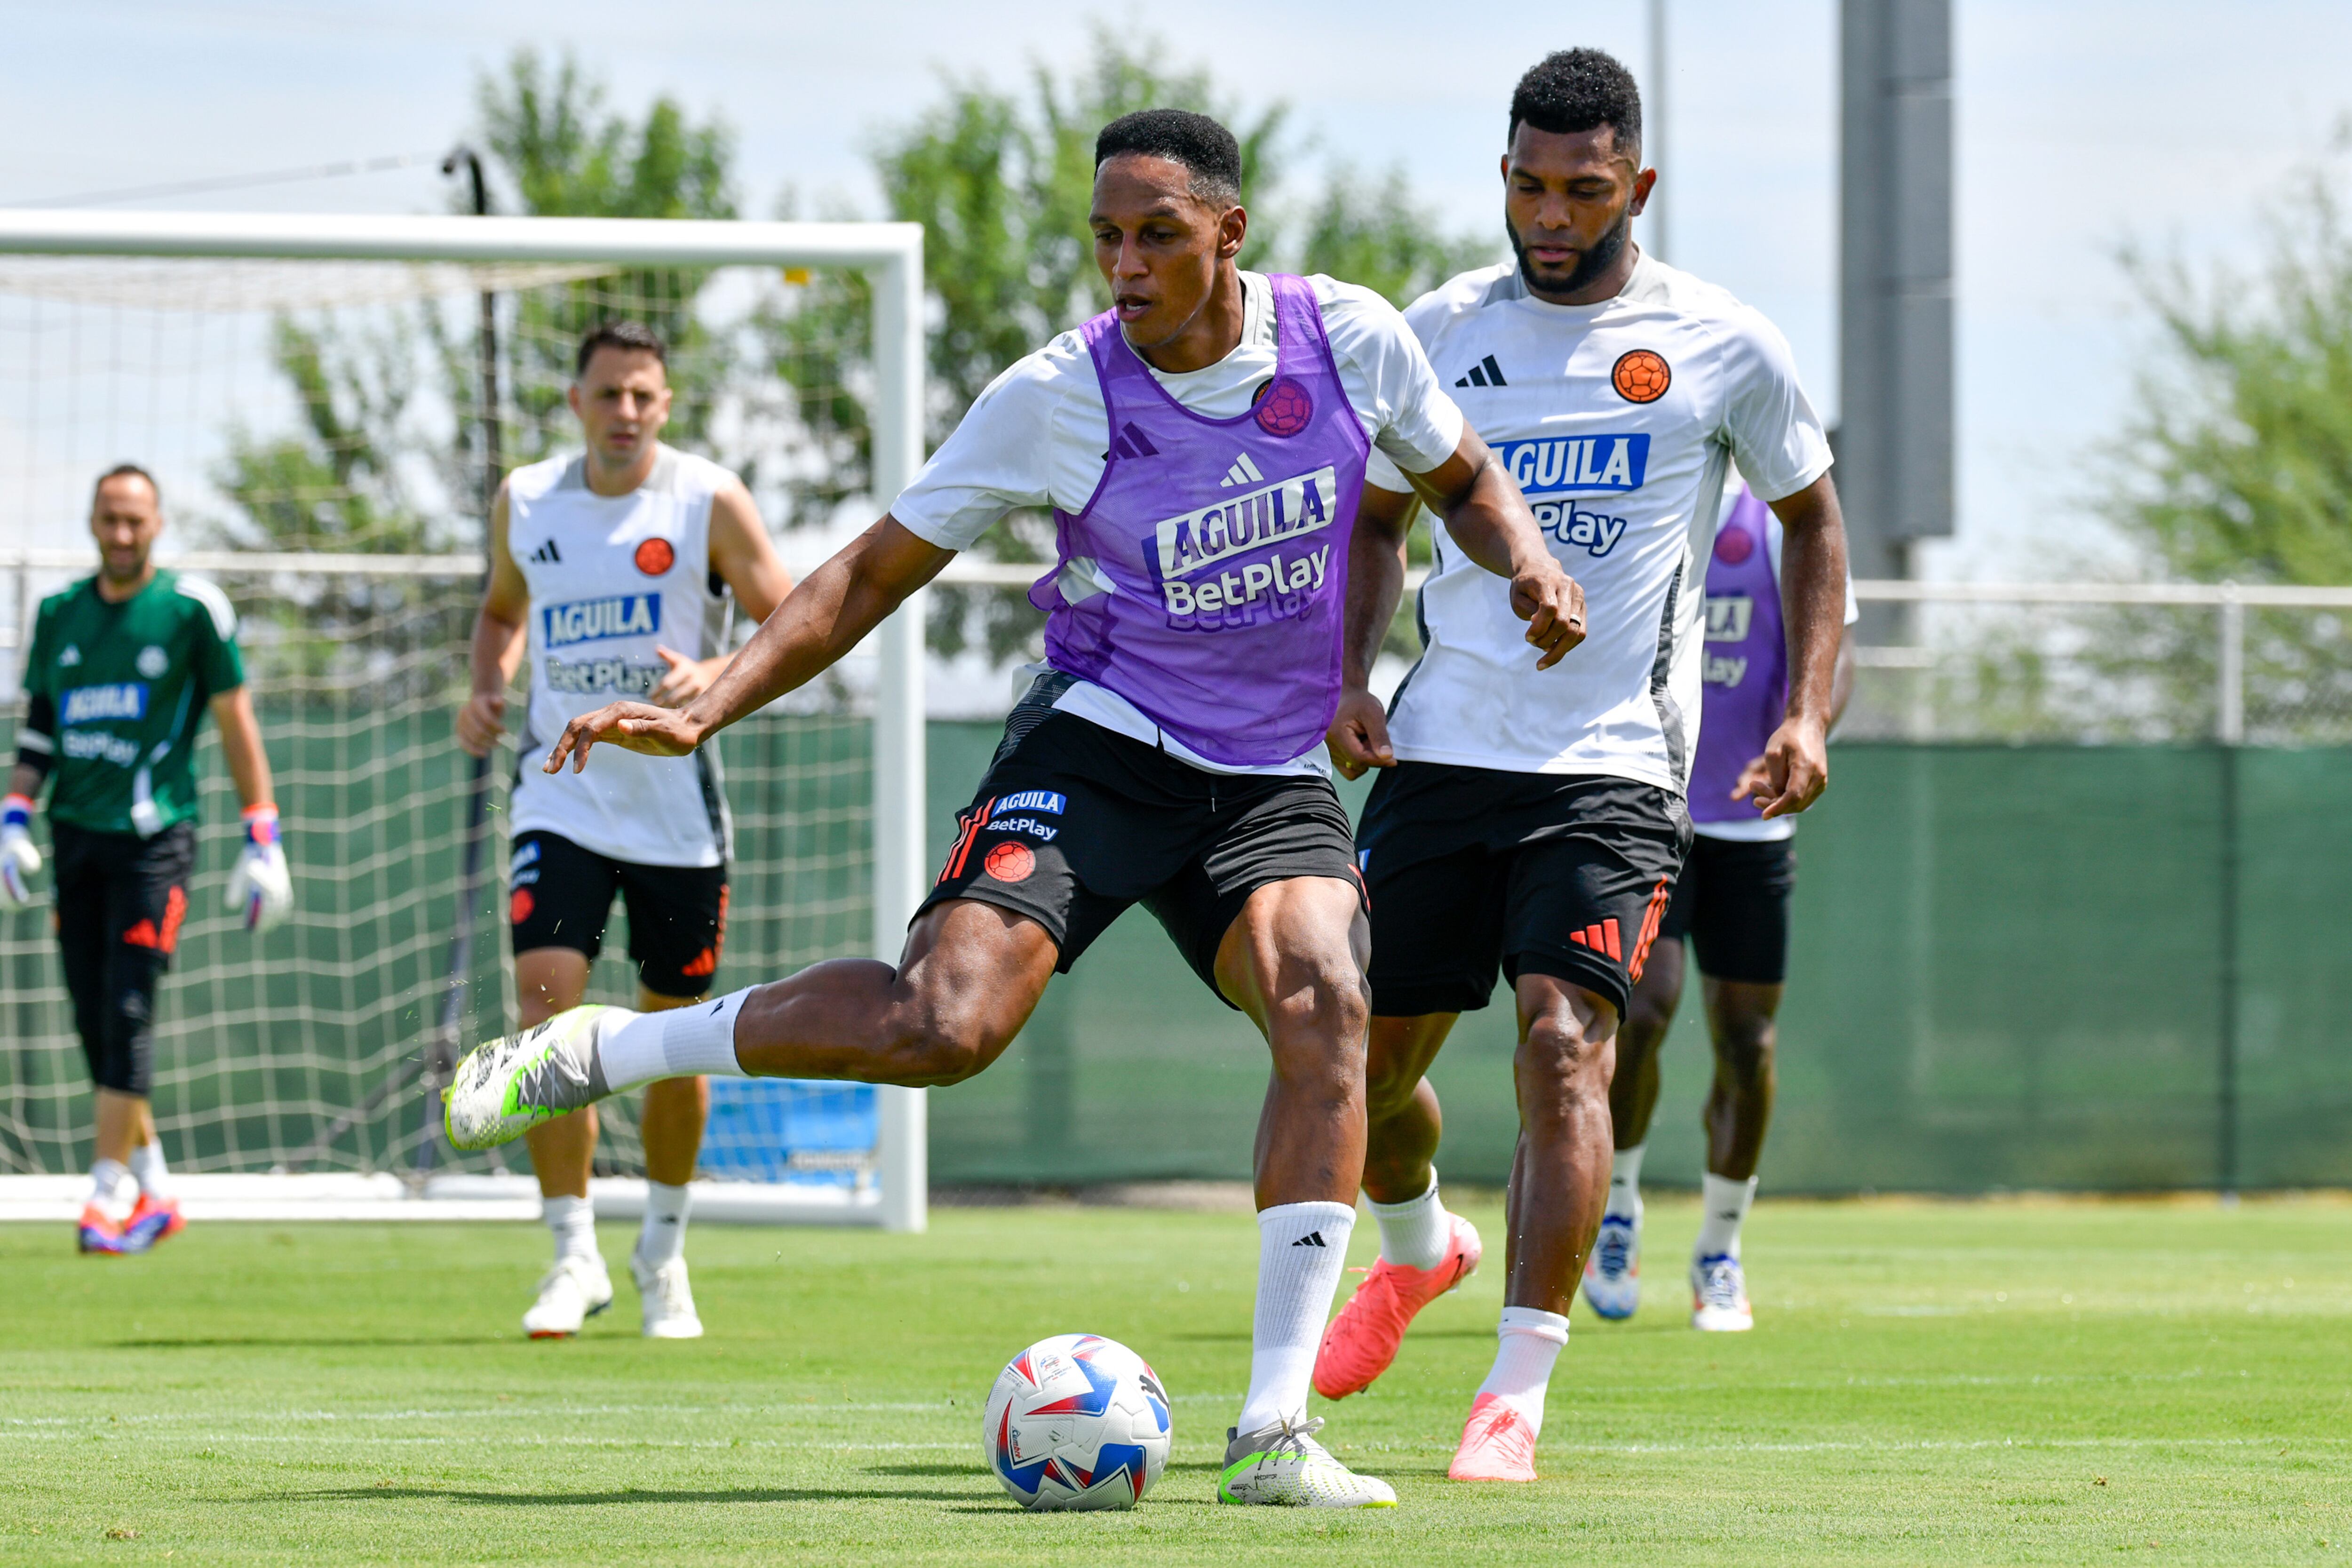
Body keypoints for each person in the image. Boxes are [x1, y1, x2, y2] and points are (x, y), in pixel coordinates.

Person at [445, 108, 1581, 1508]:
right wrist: (714, 696)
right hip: (1102, 740)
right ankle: (610, 1045)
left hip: (1270, 767)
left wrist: (1523, 560)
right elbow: (868, 571)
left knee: (1326, 1002)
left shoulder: (1349, 337)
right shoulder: (1058, 391)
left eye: (1156, 234)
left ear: (1232, 232)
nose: (1124, 263)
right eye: (1106, 236)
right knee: (945, 1026)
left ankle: (1274, 1430)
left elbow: (1459, 482)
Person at [1308, 49, 1850, 1483]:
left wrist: (1808, 709)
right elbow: (1373, 523)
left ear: (1638, 186)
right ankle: (1421, 1242)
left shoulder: (1724, 340)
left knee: (1568, 1042)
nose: (1551, 216)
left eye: (1584, 191)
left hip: (1614, 766)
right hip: (1440, 750)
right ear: (1503, 178)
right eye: (1530, 188)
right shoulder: (1433, 331)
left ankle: (1514, 1390)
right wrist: (1352, 672)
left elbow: (1814, 523)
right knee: (1359, 1065)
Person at [453, 320, 794, 1340]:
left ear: (666, 404)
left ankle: (663, 1247)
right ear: (577, 402)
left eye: (644, 395)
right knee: (545, 1011)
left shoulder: (705, 498)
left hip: (675, 815)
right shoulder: (528, 498)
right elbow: (501, 611)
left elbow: (785, 617)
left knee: (674, 1036)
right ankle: (571, 1250)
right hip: (561, 794)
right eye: (609, 394)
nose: (626, 413)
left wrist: (711, 675)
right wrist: (487, 682)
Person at [1581, 482, 1858, 1332]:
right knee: (1646, 1009)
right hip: (1650, 806)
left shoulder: (1785, 521)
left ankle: (1719, 1249)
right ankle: (1617, 1209)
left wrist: (1803, 734)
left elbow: (1839, 658)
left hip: (1752, 823)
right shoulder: (1644, 497)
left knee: (1748, 1039)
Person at [2, 464, 292, 1255]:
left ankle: (103, 1193)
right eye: (109, 518)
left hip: (155, 840)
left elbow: (236, 719)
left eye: (135, 519)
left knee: (130, 1005)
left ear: (158, 523)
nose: (122, 532)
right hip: (75, 838)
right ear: (92, 522)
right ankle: (156, 1184)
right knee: (95, 1018)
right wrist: (14, 812)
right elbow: (40, 729)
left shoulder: (191, 610)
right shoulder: (60, 614)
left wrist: (261, 831)